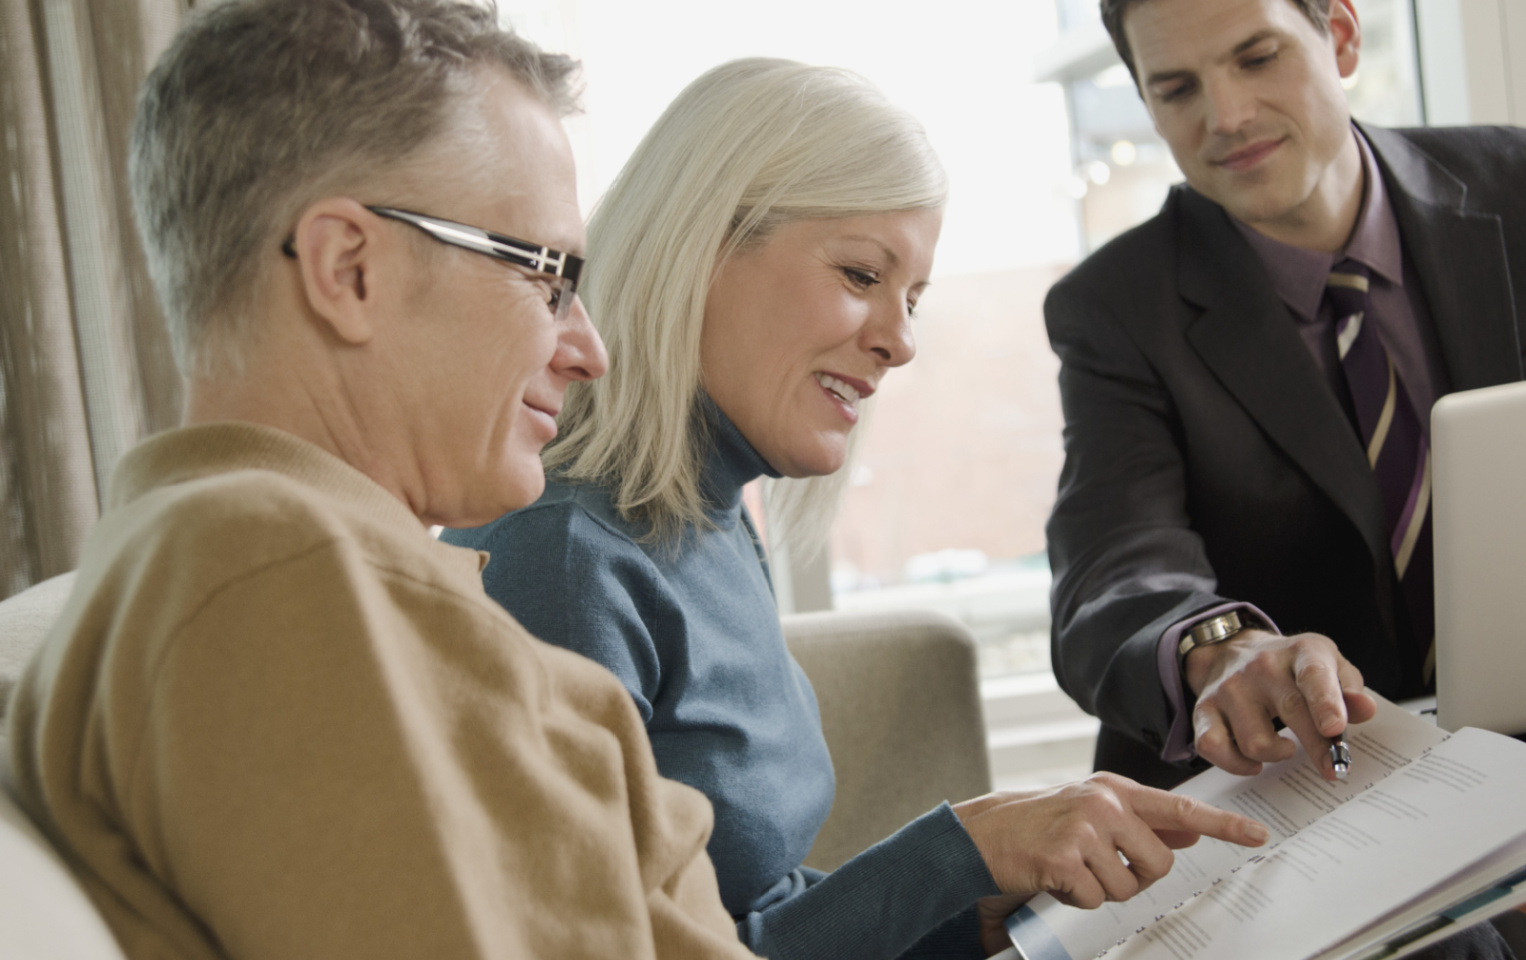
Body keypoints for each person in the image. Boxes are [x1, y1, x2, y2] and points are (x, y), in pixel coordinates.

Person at [445, 58, 1268, 960]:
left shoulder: (704, 520)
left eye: (911, 298)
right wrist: (964, 850)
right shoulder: (563, 554)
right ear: (701, 246)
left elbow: (750, 910)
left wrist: (988, 908)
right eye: (860, 273)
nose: (902, 341)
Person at [3, 2, 766, 958]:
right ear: (348, 270)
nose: (590, 350)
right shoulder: (263, 572)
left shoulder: (322, 571)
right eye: (548, 276)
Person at [1044, 0, 1524, 953]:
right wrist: (1217, 650)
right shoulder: (1115, 310)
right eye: (1175, 88)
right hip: (1311, 800)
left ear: (1340, 37)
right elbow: (1116, 567)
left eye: (1257, 58)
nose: (1223, 117)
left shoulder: (1515, 186)